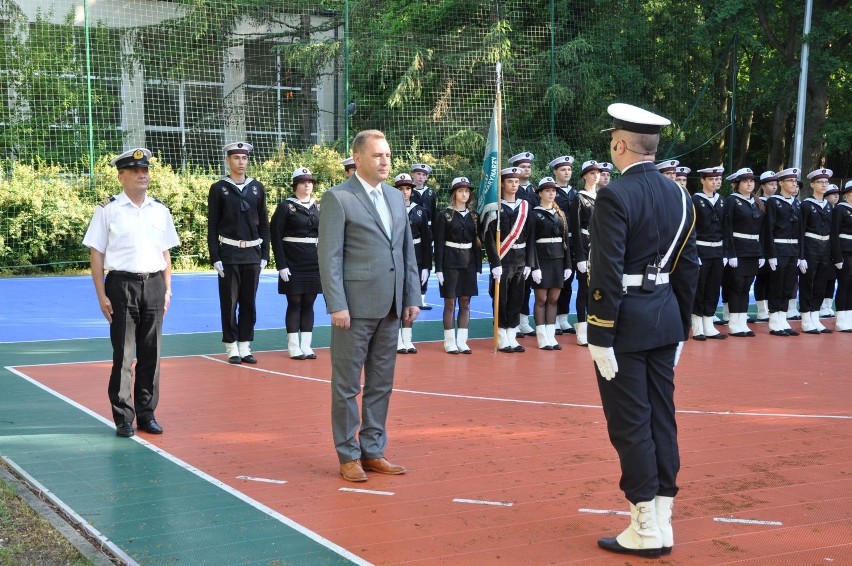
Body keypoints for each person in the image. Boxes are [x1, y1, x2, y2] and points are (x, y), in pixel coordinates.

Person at [588, 103, 698, 558]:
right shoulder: (681, 196)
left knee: (630, 424)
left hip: (625, 324)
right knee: (662, 418)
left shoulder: (614, 196)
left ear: (619, 145)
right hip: (664, 319)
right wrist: (682, 325)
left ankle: (644, 527)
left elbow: (607, 274)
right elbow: (689, 267)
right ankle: (663, 519)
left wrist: (599, 333)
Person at [318, 130, 421, 482]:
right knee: (347, 385)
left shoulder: (396, 198)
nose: (385, 161)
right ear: (358, 158)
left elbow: (406, 251)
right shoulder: (338, 198)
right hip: (354, 309)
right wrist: (337, 304)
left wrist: (411, 296)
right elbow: (329, 257)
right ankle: (348, 454)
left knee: (381, 383)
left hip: (392, 305)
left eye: (388, 155)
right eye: (377, 155)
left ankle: (373, 449)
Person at [83, 148, 180, 438]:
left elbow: (165, 252)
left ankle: (147, 414)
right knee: (124, 356)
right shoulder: (108, 209)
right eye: (135, 171)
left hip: (153, 285)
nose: (142, 175)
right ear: (121, 176)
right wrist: (101, 294)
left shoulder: (159, 210)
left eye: (145, 170)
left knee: (152, 354)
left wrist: (167, 290)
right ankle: (123, 417)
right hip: (121, 286)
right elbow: (96, 253)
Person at [207, 142, 271, 364]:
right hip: (229, 254)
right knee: (230, 302)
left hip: (252, 254)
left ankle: (245, 345)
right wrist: (215, 256)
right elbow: (212, 226)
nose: (241, 162)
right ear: (228, 160)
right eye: (236, 158)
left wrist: (265, 254)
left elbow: (264, 224)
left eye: (244, 158)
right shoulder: (218, 188)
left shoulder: (257, 187)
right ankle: (231, 346)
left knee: (249, 302)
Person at [271, 167, 323, 360]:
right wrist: (281, 265)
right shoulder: (286, 207)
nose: (307, 185)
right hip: (292, 261)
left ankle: (306, 346)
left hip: (313, 262)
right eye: (303, 182)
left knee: (309, 302)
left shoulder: (319, 206)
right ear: (295, 185)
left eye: (310, 181)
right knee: (294, 302)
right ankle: (293, 346)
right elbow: (276, 236)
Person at [483, 166, 536, 353]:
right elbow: (488, 238)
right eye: (510, 182)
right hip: (503, 260)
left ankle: (512, 336)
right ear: (502, 184)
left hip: (521, 260)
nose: (514, 185)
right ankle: (501, 336)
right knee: (501, 300)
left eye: (516, 181)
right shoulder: (494, 208)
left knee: (516, 299)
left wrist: (530, 263)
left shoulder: (525, 206)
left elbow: (531, 236)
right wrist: (494, 262)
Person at [433, 176, 481, 354]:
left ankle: (462, 340)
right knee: (450, 303)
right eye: (460, 191)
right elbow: (439, 243)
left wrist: (477, 267)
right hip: (450, 263)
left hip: (468, 262)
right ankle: (449, 341)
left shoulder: (474, 216)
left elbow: (477, 244)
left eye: (467, 191)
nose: (464, 194)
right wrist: (438, 268)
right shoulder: (445, 215)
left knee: (465, 302)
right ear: (454, 193)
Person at [530, 176, 571, 350]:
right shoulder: (534, 214)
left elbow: (566, 242)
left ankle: (550, 335)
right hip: (542, 260)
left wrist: (568, 264)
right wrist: (534, 267)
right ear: (540, 193)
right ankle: (541, 337)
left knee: (554, 300)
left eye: (553, 190)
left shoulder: (560, 214)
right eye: (547, 190)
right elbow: (531, 242)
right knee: (541, 299)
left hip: (558, 260)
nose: (551, 193)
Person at [722, 168, 764, 337]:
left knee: (746, 287)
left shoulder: (756, 202)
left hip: (753, 249)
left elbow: (760, 230)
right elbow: (727, 228)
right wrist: (730, 253)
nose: (749, 183)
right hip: (738, 249)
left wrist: (761, 253)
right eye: (745, 181)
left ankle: (742, 322)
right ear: (737, 184)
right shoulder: (732, 201)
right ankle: (733, 323)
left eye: (752, 181)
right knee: (737, 286)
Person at [393, 173, 433, 354]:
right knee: (396, 301)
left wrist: (426, 266)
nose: (404, 192)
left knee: (411, 300)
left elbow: (427, 239)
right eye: (400, 189)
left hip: (415, 258)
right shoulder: (389, 209)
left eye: (407, 188)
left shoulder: (420, 211)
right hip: (395, 259)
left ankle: (407, 339)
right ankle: (396, 339)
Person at [762, 168, 802, 337]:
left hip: (793, 249)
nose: (794, 184)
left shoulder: (797, 203)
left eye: (795, 181)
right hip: (779, 248)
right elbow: (768, 230)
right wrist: (770, 254)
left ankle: (783, 318)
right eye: (790, 181)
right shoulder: (773, 202)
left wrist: (800, 255)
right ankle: (774, 320)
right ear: (781, 183)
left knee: (788, 286)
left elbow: (800, 230)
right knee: (777, 285)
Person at [690, 166, 727, 340]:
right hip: (701, 249)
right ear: (703, 180)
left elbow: (727, 228)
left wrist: (726, 251)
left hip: (717, 250)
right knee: (700, 288)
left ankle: (709, 324)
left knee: (713, 288)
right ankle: (697, 326)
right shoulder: (695, 200)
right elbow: (691, 229)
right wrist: (694, 253)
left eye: (718, 179)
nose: (715, 182)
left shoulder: (722, 201)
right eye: (711, 179)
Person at [570, 160, 602, 346]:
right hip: (585, 245)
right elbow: (574, 228)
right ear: (584, 176)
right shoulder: (579, 198)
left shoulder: (603, 196)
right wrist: (580, 256)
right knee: (584, 289)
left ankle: (596, 326)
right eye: (591, 173)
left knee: (598, 289)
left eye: (597, 172)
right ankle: (582, 329)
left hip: (600, 248)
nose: (596, 176)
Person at [798, 168, 834, 334]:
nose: (824, 185)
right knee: (807, 284)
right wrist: (802, 256)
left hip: (825, 248)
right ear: (812, 184)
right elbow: (801, 231)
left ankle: (815, 317)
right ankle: (806, 319)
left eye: (826, 182)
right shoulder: (806, 204)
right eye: (820, 182)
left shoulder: (829, 206)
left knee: (820, 284)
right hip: (810, 246)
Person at [508, 151, 538, 337]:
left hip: (531, 242)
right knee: (513, 286)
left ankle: (524, 319)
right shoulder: (513, 190)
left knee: (526, 286)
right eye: (522, 167)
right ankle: (511, 321)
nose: (526, 170)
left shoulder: (534, 191)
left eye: (528, 167)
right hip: (513, 242)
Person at [550, 155, 577, 335]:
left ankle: (563, 318)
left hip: (575, 242)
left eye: (568, 169)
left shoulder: (575, 193)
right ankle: (553, 318)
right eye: (562, 170)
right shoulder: (550, 192)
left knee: (569, 280)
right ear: (555, 172)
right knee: (557, 281)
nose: (566, 172)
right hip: (558, 242)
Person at [409, 163, 436, 310]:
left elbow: (434, 212)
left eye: (424, 175)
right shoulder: (408, 190)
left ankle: (422, 296)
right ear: (412, 175)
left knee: (426, 262)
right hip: (412, 231)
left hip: (428, 232)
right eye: (418, 174)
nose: (421, 177)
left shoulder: (431, 193)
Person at [753, 171, 779, 322]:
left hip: (774, 245)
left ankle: (769, 307)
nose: (774, 187)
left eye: (775, 184)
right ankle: (761, 309)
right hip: (761, 244)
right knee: (762, 277)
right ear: (763, 186)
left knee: (772, 277)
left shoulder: (776, 201)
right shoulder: (758, 202)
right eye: (771, 184)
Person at [831, 181, 852, 332]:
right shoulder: (840, 209)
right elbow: (834, 234)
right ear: (847, 194)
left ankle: (849, 317)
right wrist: (837, 256)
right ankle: (841, 319)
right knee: (844, 284)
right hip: (845, 251)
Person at [820, 184, 841, 318]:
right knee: (823, 278)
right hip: (823, 247)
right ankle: (821, 305)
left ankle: (827, 305)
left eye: (837, 193)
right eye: (832, 193)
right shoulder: (826, 210)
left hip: (836, 249)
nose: (836, 196)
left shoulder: (838, 210)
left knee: (832, 279)